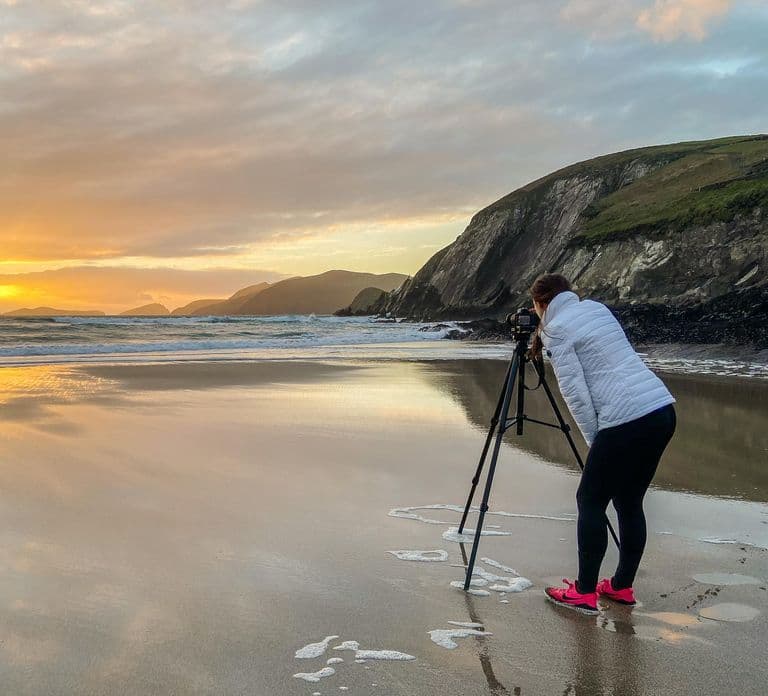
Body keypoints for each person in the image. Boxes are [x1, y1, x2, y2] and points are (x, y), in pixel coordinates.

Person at [529, 273, 676, 615]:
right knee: (629, 501)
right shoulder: (595, 308)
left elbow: (575, 393)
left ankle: (583, 592)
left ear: (540, 304)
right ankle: (621, 587)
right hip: (660, 410)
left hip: (624, 419)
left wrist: (597, 440)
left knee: (590, 499)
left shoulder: (555, 329)